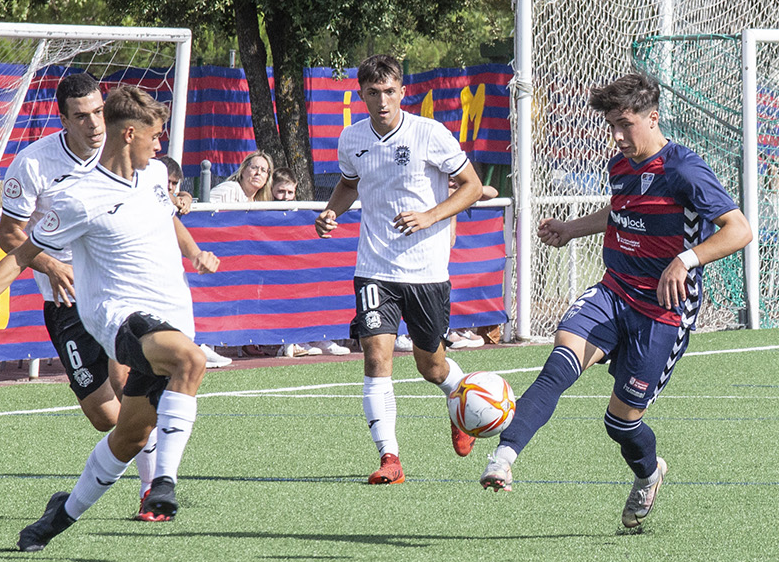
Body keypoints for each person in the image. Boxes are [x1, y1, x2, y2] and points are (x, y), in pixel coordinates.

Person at [0, 85, 220, 551]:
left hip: (168, 315)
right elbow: (21, 253)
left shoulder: (152, 178)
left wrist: (196, 253)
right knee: (190, 362)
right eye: (155, 137)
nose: (160, 146)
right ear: (130, 135)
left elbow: (168, 218)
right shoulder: (79, 197)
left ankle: (53, 521)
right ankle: (163, 484)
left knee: (127, 434)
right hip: (119, 319)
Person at [477, 71, 752, 531]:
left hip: (662, 311)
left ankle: (649, 474)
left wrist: (684, 260)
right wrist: (570, 229)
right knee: (558, 365)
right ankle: (502, 458)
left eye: (626, 124)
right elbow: (620, 213)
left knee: (621, 423)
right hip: (614, 289)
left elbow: (738, 229)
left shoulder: (683, 168)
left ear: (653, 117)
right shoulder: (621, 166)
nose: (619, 137)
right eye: (611, 127)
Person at [314, 54, 485, 482]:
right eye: (373, 93)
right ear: (363, 96)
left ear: (402, 92)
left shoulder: (430, 133)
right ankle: (390, 458)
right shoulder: (351, 139)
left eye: (390, 91)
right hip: (374, 266)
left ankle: (461, 405)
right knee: (376, 356)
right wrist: (330, 213)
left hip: (426, 271)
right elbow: (349, 184)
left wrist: (430, 215)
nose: (383, 100)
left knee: (432, 367)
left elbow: (473, 186)